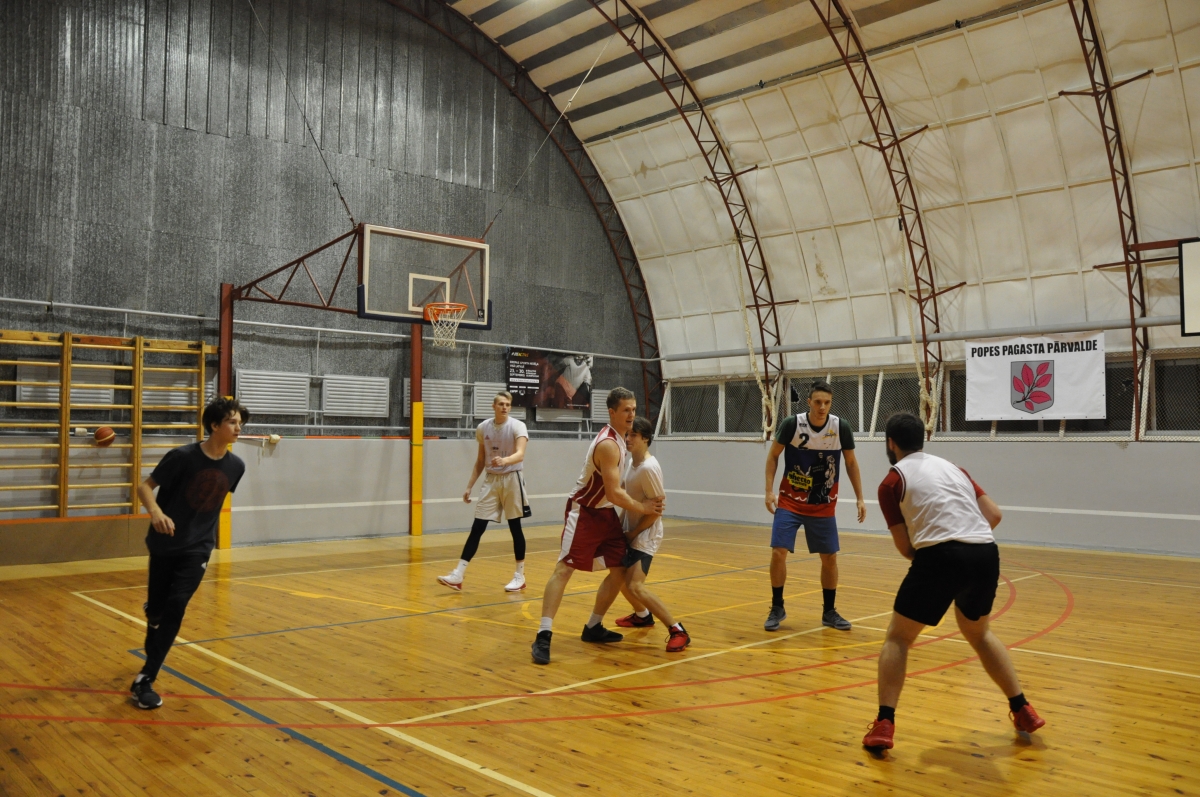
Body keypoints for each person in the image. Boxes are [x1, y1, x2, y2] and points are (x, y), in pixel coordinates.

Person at [862, 412, 1046, 750]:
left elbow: (905, 548)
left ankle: (884, 723)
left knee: (898, 638)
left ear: (890, 443)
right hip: (985, 554)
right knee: (980, 634)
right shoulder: (955, 469)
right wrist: (965, 540)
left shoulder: (891, 482)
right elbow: (994, 515)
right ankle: (1022, 708)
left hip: (940, 556)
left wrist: (942, 559)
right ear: (922, 439)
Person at [530, 387, 664, 665]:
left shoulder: (623, 440)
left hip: (605, 514)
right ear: (612, 413)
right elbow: (614, 493)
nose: (631, 415)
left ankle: (593, 626)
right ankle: (543, 635)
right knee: (564, 569)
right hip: (585, 512)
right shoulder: (608, 445)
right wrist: (644, 507)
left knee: (620, 569)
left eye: (634, 409)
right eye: (626, 410)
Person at [129, 397, 248, 710]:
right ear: (214, 425)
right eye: (232, 422)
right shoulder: (182, 457)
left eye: (240, 423)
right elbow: (144, 487)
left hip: (198, 548)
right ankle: (154, 612)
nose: (239, 428)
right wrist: (156, 512)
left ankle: (145, 679)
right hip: (165, 542)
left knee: (176, 606)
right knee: (158, 612)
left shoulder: (236, 466)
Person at [763, 380, 865, 632]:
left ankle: (829, 612)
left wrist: (860, 498)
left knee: (829, 557)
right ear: (808, 402)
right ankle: (777, 606)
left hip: (823, 505)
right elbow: (773, 456)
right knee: (778, 552)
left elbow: (851, 463)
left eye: (827, 403)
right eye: (817, 402)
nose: (822, 407)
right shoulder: (792, 424)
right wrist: (769, 491)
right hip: (790, 501)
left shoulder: (840, 427)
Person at [612, 416, 689, 652]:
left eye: (633, 435)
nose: (628, 438)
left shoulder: (648, 468)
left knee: (635, 586)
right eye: (627, 434)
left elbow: (657, 510)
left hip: (646, 534)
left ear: (645, 439)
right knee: (618, 578)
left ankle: (677, 630)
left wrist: (634, 533)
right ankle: (642, 616)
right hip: (631, 530)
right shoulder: (631, 462)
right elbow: (626, 497)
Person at [438, 391, 529, 592]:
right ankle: (458, 575)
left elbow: (520, 454)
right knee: (477, 527)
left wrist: (505, 460)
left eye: (508, 404)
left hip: (512, 477)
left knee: (515, 527)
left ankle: (520, 576)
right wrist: (469, 486)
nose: (505, 407)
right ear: (493, 406)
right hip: (491, 479)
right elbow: (480, 460)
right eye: (501, 404)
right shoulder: (483, 428)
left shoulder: (518, 426)